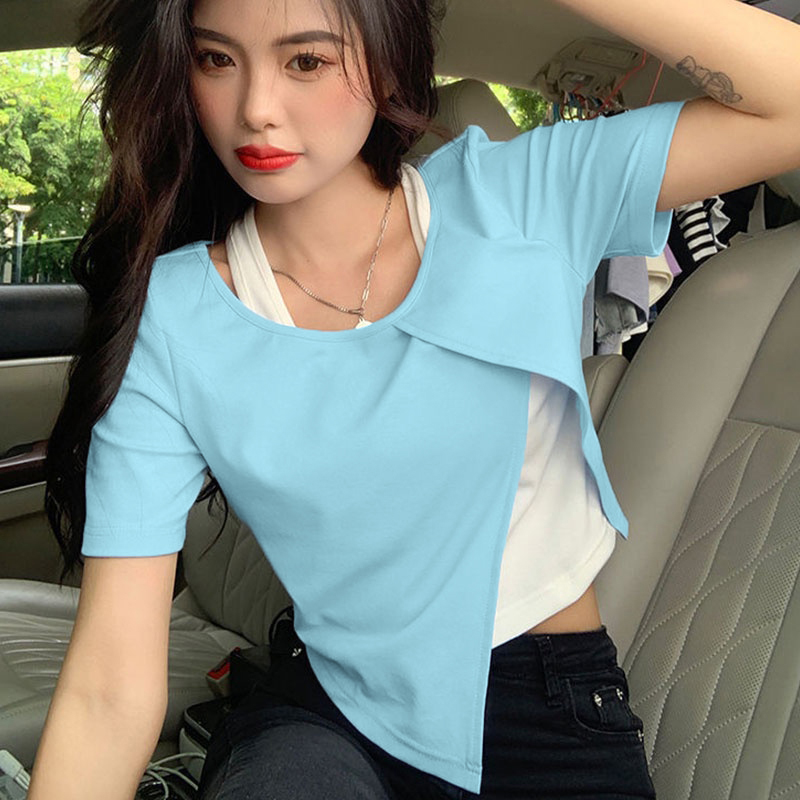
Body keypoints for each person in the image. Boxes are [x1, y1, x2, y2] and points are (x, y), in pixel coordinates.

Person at [30, 0, 800, 797]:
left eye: (306, 61)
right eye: (216, 59)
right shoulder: (172, 316)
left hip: (550, 704)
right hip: (329, 716)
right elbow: (108, 688)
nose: (255, 108)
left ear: (385, 58)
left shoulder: (522, 194)